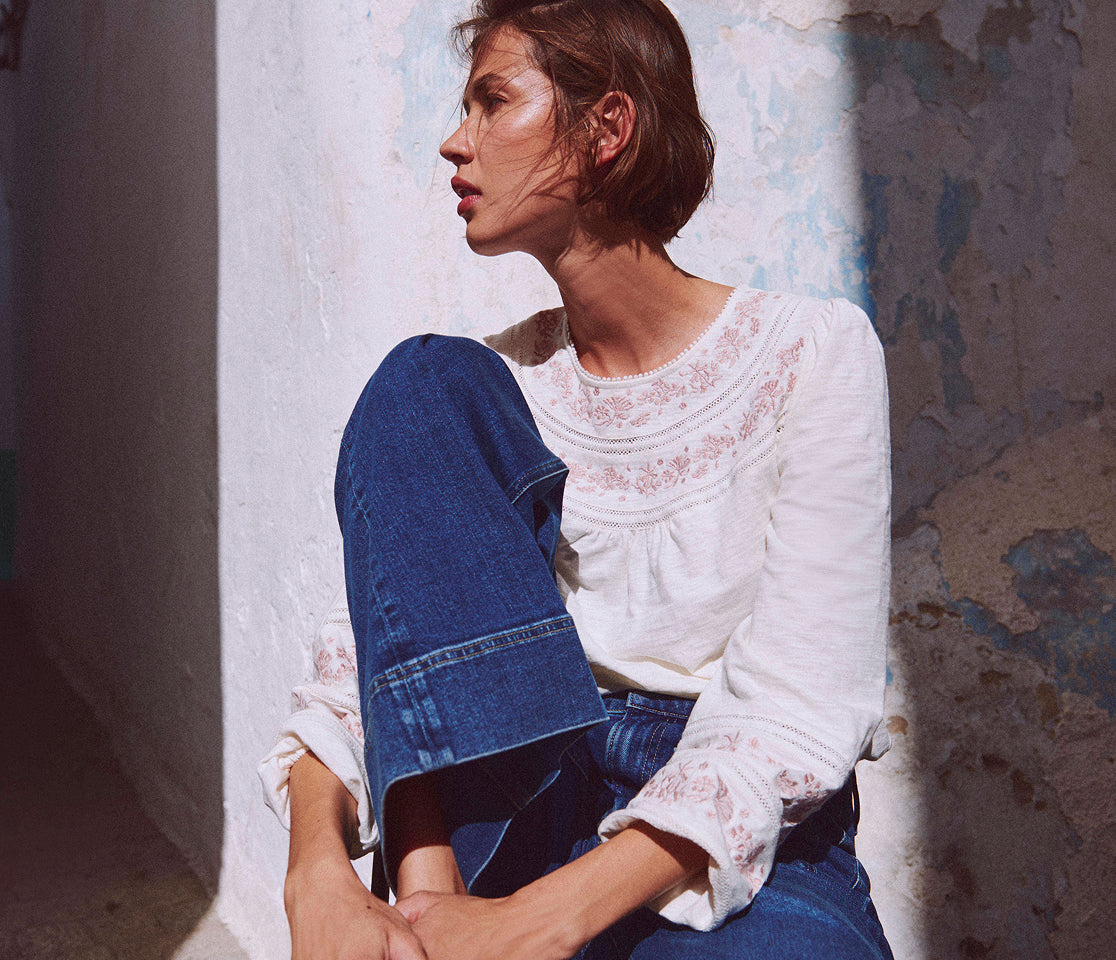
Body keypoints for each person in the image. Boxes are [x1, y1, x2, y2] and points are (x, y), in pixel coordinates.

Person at [259, 1, 894, 958]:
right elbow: (371, 664)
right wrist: (319, 872)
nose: (452, 142)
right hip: (523, 802)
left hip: (736, 841)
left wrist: (537, 924)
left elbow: (800, 709)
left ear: (607, 128)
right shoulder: (479, 397)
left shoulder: (813, 353)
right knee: (421, 377)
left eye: (491, 101)